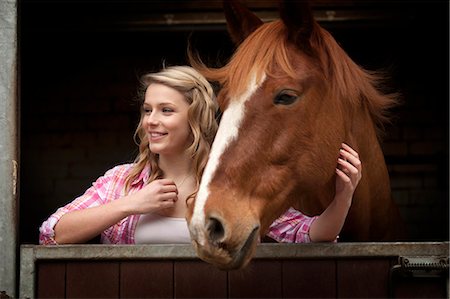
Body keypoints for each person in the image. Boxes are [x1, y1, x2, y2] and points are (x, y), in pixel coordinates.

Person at [39, 65, 361, 245]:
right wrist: (131, 205)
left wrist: (343, 196)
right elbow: (52, 234)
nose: (151, 121)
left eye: (166, 111)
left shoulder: (231, 182)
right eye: (147, 110)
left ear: (196, 118)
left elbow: (308, 236)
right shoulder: (123, 181)